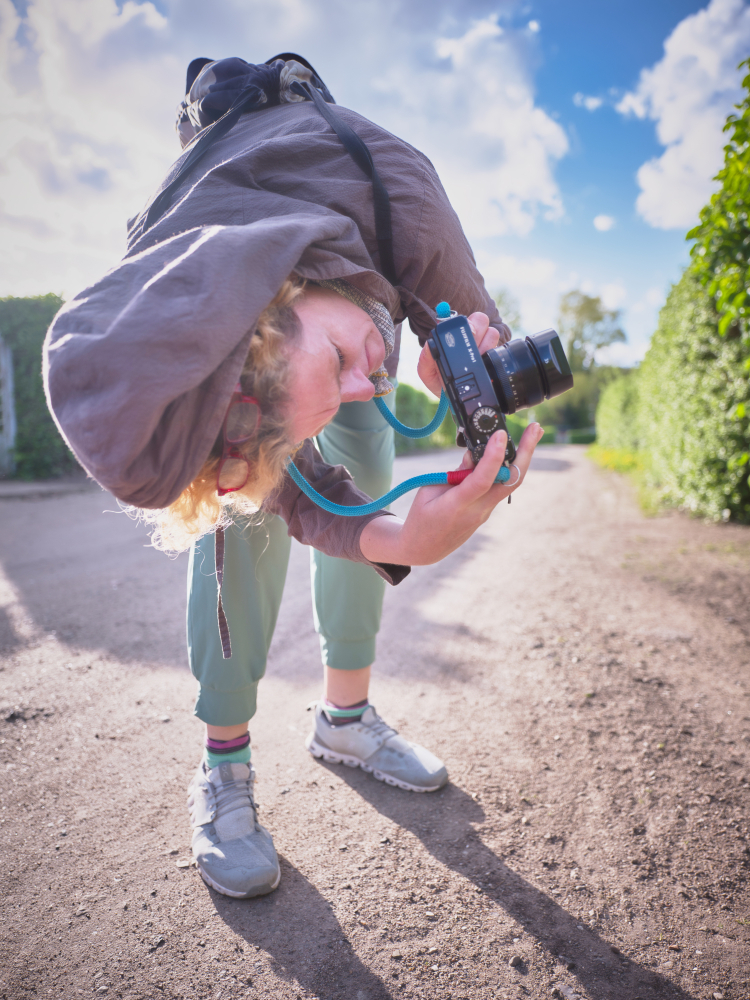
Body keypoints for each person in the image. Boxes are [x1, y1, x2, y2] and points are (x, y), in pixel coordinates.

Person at [44, 55, 545, 899]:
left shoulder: (395, 188)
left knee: (370, 445)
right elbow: (276, 479)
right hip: (297, 319)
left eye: (346, 363)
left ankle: (346, 720)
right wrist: (395, 533)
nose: (368, 383)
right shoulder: (159, 263)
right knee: (246, 515)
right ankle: (224, 765)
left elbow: (481, 349)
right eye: (349, 374)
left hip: (361, 273)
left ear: (279, 295)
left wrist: (460, 376)